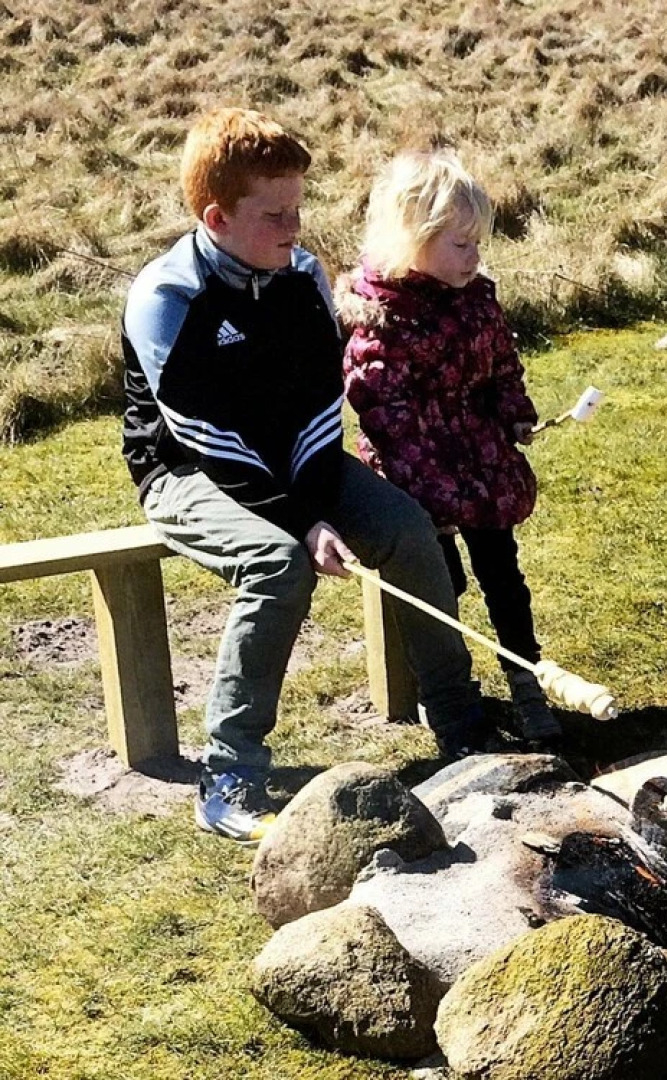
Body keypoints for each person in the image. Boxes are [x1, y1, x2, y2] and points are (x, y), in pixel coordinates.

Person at [121, 109, 491, 843]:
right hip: (188, 473)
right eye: (275, 213)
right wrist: (304, 521)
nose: (295, 225)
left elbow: (324, 403)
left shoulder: (300, 275)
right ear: (216, 216)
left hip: (301, 461)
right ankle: (230, 771)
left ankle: (458, 720)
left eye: (299, 206)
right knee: (278, 564)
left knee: (407, 529)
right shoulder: (166, 297)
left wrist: (320, 499)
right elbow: (206, 438)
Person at [335, 149, 559, 743]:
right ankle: (449, 687)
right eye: (460, 244)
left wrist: (513, 412)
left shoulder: (476, 298)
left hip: (481, 460)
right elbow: (382, 410)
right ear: (414, 238)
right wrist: (430, 489)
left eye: (478, 242)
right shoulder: (382, 318)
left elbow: (501, 364)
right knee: (442, 582)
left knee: (503, 574)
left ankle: (526, 675)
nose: (474, 256)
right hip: (419, 475)